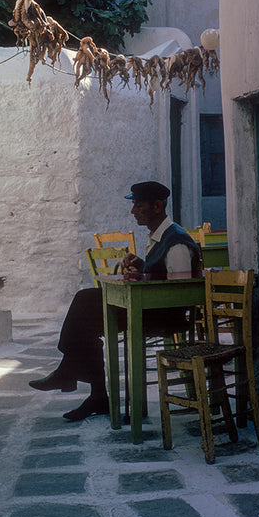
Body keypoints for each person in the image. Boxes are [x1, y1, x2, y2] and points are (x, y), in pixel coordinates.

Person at [28, 180, 201, 421]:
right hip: (146, 306)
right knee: (85, 309)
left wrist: (139, 280)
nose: (133, 211)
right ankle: (95, 394)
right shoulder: (161, 236)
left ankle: (72, 376)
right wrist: (141, 269)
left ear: (157, 206)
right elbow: (162, 277)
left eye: (138, 206)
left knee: (85, 303)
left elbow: (178, 294)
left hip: (160, 314)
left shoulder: (177, 243)